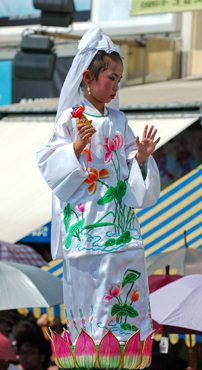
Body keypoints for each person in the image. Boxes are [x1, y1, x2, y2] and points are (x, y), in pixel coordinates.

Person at [37, 26, 161, 345]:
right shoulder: (70, 119)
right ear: (88, 78)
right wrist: (77, 147)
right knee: (91, 287)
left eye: (119, 80)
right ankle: (92, 347)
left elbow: (132, 170)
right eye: (111, 78)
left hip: (119, 224)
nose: (116, 87)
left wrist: (142, 158)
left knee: (124, 277)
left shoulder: (119, 122)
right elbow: (49, 164)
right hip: (86, 220)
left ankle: (124, 347)